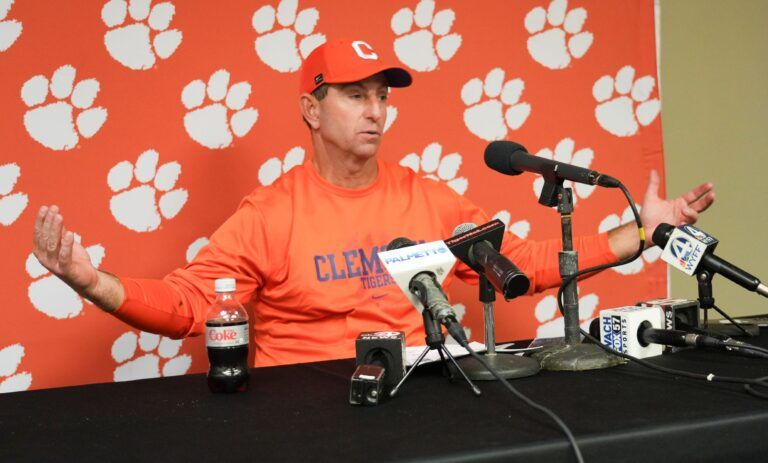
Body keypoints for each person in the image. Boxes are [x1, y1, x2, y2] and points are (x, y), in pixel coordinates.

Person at [32, 39, 714, 367]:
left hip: (422, 396)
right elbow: (188, 306)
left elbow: (527, 266)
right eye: (356, 93)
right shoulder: (270, 213)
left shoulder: (429, 198)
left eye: (383, 95)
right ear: (311, 107)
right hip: (301, 416)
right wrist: (92, 282)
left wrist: (644, 234)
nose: (376, 110)